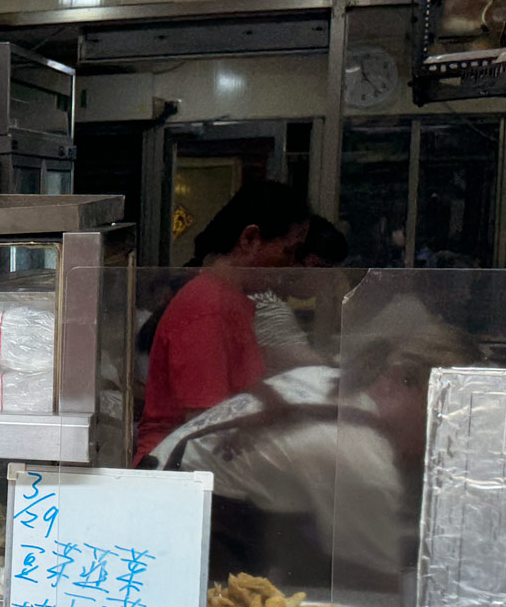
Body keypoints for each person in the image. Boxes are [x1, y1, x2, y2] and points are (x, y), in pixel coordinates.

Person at [144, 323, 479, 586]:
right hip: (170, 536)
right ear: (403, 381)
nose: (447, 438)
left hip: (163, 489)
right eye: (449, 417)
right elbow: (378, 581)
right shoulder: (360, 457)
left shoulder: (325, 379)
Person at [134, 181, 310, 464]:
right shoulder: (207, 307)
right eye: (287, 252)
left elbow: (243, 393)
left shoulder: (232, 303)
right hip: (178, 467)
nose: (289, 266)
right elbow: (206, 425)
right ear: (250, 239)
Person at [250, 215, 349, 372]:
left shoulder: (271, 300)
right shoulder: (265, 305)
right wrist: (325, 302)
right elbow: (312, 364)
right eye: (320, 268)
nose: (328, 279)